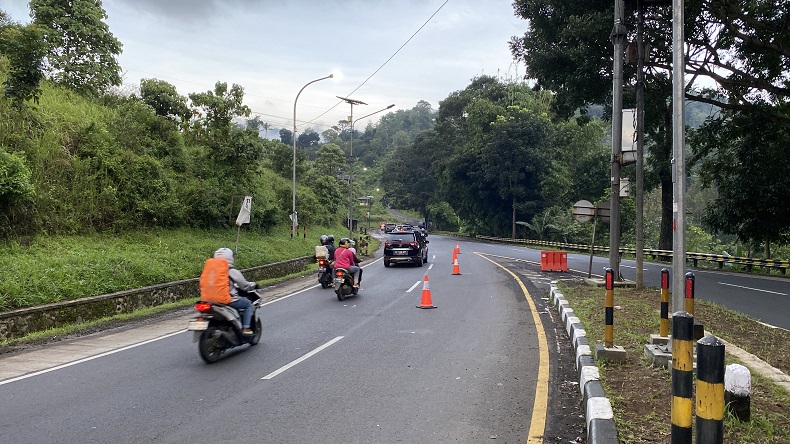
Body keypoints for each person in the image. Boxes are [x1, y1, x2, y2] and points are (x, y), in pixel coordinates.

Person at [213, 248, 258, 335]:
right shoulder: (230, 270)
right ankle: (246, 328)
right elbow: (243, 285)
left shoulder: (211, 270)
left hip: (210, 300)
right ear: (230, 257)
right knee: (248, 304)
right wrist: (253, 285)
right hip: (226, 299)